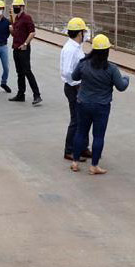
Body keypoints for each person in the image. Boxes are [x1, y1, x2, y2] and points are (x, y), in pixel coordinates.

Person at [70, 34, 129, 175]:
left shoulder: (84, 64)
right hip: (101, 106)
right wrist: (126, 79)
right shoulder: (111, 69)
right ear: (107, 51)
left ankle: (75, 162)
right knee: (98, 136)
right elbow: (121, 86)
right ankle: (94, 166)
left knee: (81, 132)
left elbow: (74, 77)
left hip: (83, 103)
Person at [60, 18, 91, 161]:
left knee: (84, 118)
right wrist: (77, 82)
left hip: (79, 86)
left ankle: (83, 147)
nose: (85, 34)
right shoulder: (70, 49)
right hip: (73, 88)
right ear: (79, 33)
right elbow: (67, 71)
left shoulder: (77, 46)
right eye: (83, 32)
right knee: (76, 119)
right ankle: (69, 150)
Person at [8, 0, 41, 105]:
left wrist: (25, 44)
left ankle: (37, 95)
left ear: (22, 7)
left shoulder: (27, 18)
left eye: (17, 7)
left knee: (27, 71)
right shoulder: (16, 19)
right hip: (16, 48)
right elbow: (14, 34)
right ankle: (21, 94)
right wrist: (11, 30)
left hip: (24, 49)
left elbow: (32, 32)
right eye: (14, 7)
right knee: (19, 73)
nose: (15, 8)